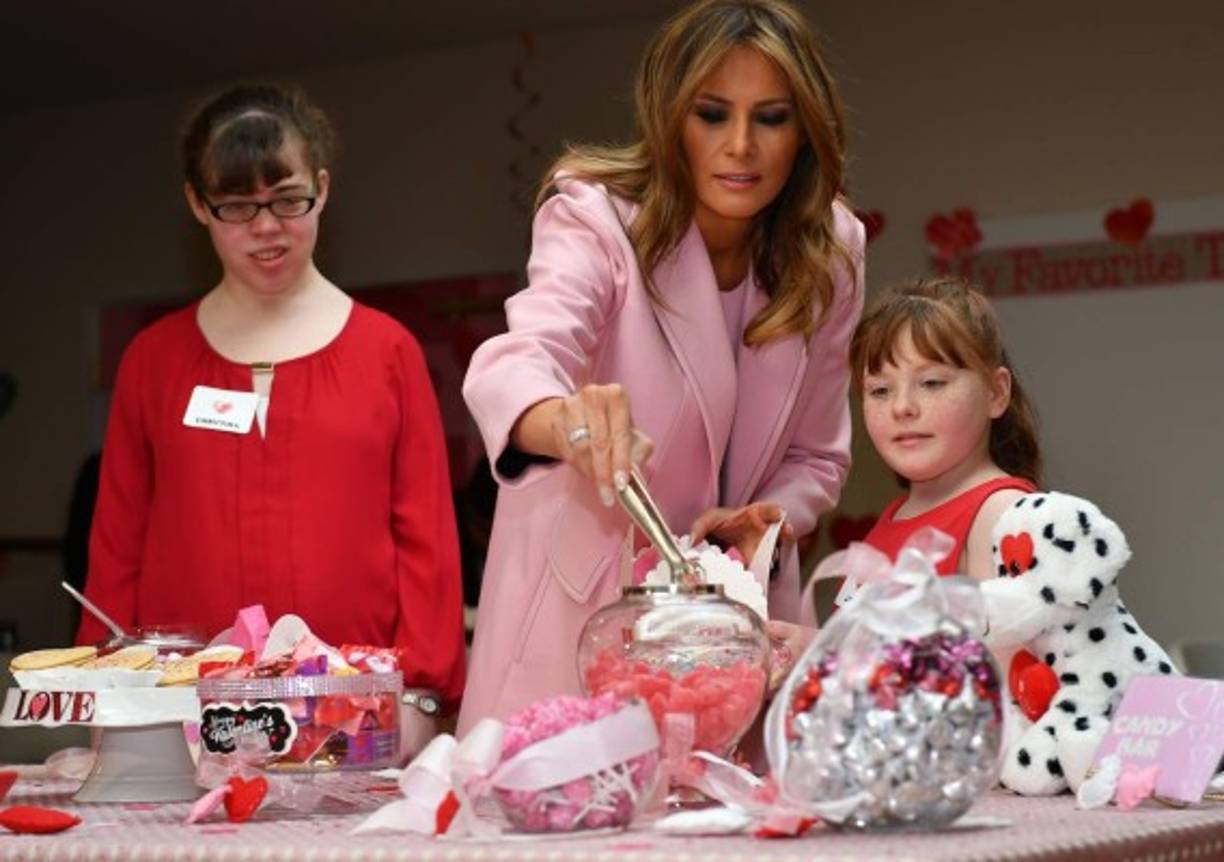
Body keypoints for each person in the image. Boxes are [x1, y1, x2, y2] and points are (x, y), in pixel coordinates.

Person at [460, 0, 865, 732]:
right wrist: (567, 421)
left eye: (771, 118)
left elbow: (817, 457)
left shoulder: (832, 252)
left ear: (805, 128)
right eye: (711, 114)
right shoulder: (596, 217)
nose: (740, 146)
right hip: (580, 623)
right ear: (669, 116)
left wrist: (766, 522)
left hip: (736, 635)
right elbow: (519, 361)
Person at [75, 83, 465, 753]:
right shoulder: (153, 361)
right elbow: (116, 548)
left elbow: (427, 540)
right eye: (236, 206)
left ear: (322, 188)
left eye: (287, 199)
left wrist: (423, 693)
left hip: (352, 717)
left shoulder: (388, 353)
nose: (266, 227)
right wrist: (103, 688)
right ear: (197, 204)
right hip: (179, 718)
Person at [851, 276, 1042, 580]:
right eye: (880, 390)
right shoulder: (893, 517)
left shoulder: (1003, 513)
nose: (902, 407)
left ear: (996, 393)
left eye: (931, 383)